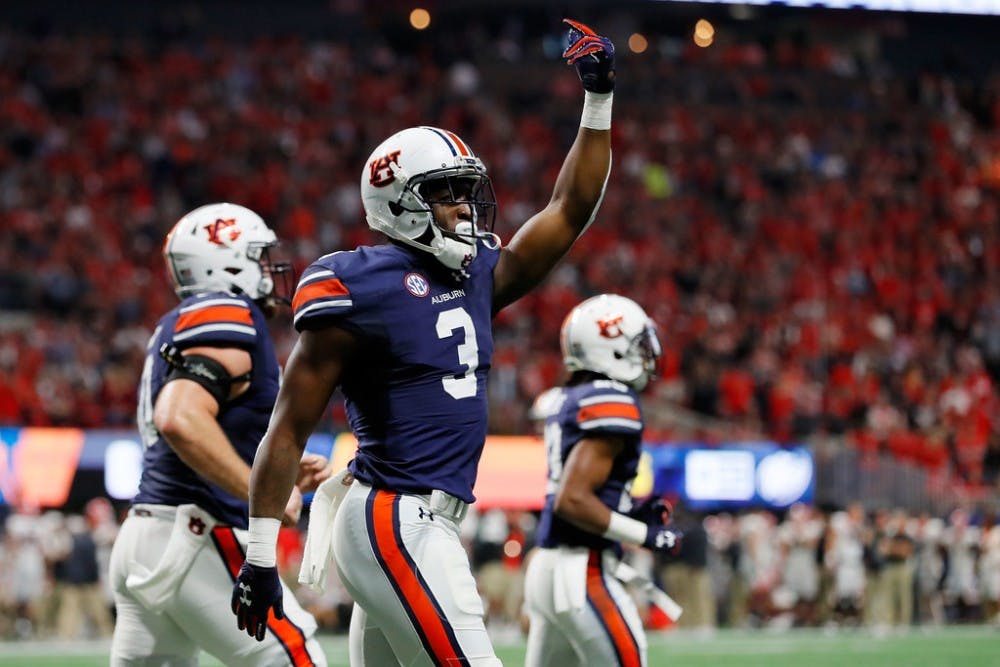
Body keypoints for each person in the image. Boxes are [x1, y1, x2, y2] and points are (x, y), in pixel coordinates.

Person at [231, 18, 617, 667]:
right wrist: (261, 555)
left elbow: (568, 209)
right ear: (397, 202)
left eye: (467, 192)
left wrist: (599, 98)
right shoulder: (359, 284)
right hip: (394, 520)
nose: (465, 208)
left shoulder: (477, 273)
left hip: (422, 522)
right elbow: (288, 427)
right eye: (444, 194)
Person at [109, 203, 329, 666]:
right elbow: (179, 417)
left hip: (150, 532)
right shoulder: (226, 309)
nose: (271, 270)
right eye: (258, 256)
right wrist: (261, 491)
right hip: (195, 532)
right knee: (294, 656)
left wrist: (272, 474)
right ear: (226, 262)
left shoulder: (184, 319)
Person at [522, 294, 680, 667]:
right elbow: (573, 499)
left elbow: (584, 487)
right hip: (583, 570)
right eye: (638, 344)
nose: (646, 355)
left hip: (550, 566)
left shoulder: (569, 397)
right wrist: (646, 535)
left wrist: (632, 513)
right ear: (610, 346)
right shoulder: (613, 399)